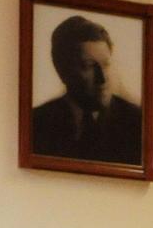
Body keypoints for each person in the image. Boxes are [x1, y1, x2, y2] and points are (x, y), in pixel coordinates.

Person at [30, 15, 144, 165]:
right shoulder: (37, 123)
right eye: (89, 66)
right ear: (62, 70)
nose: (102, 79)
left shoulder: (137, 123)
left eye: (106, 64)